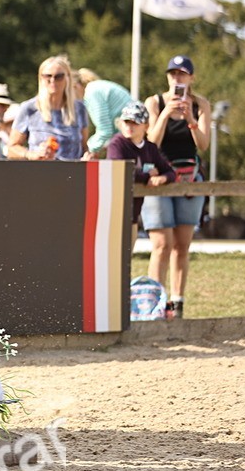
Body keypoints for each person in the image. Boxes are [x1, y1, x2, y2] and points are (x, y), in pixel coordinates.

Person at [142, 55, 211, 318]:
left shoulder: (201, 103)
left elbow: (203, 144)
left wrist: (191, 117)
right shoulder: (155, 102)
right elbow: (151, 143)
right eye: (172, 73)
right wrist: (166, 114)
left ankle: (177, 303)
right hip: (159, 178)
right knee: (161, 244)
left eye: (182, 74)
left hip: (189, 179)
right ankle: (154, 306)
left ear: (191, 78)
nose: (177, 78)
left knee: (182, 245)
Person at [107, 102, 176, 251]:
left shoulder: (150, 148)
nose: (129, 126)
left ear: (145, 126)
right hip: (112, 214)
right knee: (112, 257)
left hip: (133, 215)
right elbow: (120, 172)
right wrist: (147, 176)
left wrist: (162, 178)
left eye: (135, 123)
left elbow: (170, 172)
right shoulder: (116, 144)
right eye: (126, 122)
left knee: (127, 258)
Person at [7, 55, 90, 161]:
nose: (52, 80)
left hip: (73, 174)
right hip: (41, 173)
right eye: (47, 76)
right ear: (41, 78)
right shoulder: (29, 108)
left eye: (58, 76)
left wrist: (88, 156)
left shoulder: (79, 108)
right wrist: (31, 154)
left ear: (67, 78)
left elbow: (84, 147)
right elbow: (11, 148)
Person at [76, 68, 133, 160]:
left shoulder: (91, 93)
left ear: (75, 86)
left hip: (128, 136)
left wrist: (88, 150)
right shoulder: (98, 87)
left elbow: (105, 130)